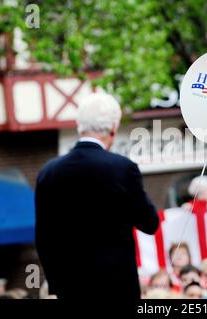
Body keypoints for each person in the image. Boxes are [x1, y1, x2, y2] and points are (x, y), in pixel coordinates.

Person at [35, 92, 159, 299]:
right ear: (113, 128)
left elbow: (43, 237)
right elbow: (150, 223)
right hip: (117, 288)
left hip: (71, 289)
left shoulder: (49, 172)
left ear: (79, 126)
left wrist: (57, 285)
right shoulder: (122, 168)